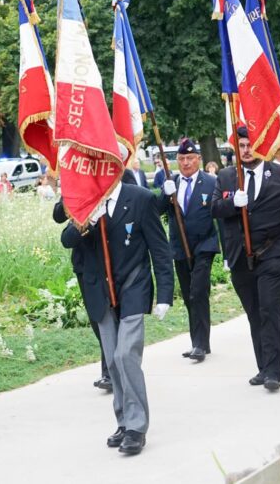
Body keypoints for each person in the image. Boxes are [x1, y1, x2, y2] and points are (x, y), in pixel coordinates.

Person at [60, 181, 174, 456]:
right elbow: (67, 240)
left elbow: (159, 249)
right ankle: (123, 421)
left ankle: (136, 427)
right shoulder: (87, 199)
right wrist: (86, 219)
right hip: (99, 289)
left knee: (126, 355)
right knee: (112, 359)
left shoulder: (141, 198)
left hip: (133, 285)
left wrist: (165, 295)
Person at [211, 127, 280, 391]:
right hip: (241, 256)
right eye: (242, 146)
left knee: (270, 310)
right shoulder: (227, 176)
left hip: (275, 253)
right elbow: (215, 209)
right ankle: (263, 365)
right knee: (254, 313)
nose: (247, 150)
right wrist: (232, 204)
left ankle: (274, 370)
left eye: (251, 144)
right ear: (235, 149)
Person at [158, 139, 220, 362]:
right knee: (188, 295)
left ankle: (200, 345)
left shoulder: (211, 182)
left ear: (198, 160)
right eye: (182, 158)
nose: (186, 163)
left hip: (204, 245)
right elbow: (158, 211)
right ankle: (199, 342)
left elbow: (219, 214)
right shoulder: (172, 182)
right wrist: (165, 194)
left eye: (190, 158)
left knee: (198, 291)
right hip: (180, 247)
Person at [54, 199, 112, 392]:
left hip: (111, 258)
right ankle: (110, 369)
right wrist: (71, 194)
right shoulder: (77, 181)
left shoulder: (117, 175)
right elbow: (58, 215)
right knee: (98, 319)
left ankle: (112, 370)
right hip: (85, 262)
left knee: (113, 317)